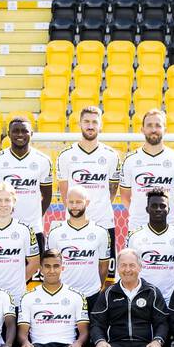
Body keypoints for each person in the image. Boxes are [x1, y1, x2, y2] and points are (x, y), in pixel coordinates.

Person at [55, 105, 120, 255]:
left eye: (94, 122)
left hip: (104, 222)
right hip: (75, 222)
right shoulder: (66, 156)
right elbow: (65, 194)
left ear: (100, 125)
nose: (90, 126)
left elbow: (113, 189)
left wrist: (99, 207)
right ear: (80, 124)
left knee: (106, 272)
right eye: (86, 122)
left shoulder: (111, 156)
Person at [0, 115, 53, 251]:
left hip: (34, 228)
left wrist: (35, 217)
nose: (20, 134)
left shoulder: (43, 161)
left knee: (35, 269)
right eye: (15, 131)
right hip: (4, 228)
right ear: (8, 134)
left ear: (31, 134)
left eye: (24, 131)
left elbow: (47, 196)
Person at [118, 108, 174, 231]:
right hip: (138, 227)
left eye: (158, 125)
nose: (153, 129)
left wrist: (165, 215)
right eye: (149, 125)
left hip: (169, 226)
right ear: (142, 129)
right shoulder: (130, 160)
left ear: (165, 130)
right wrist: (140, 214)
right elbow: (125, 197)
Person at [46, 184, 111, 299]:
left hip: (92, 294)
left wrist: (96, 288)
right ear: (66, 202)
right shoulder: (55, 233)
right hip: (64, 295)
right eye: (71, 202)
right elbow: (50, 266)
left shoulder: (100, 232)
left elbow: (104, 266)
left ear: (87, 202)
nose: (74, 206)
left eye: (79, 202)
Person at [125, 189, 174, 299]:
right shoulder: (134, 236)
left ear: (168, 209)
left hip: (169, 299)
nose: (158, 209)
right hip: (141, 298)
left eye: (162, 206)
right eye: (154, 206)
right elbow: (129, 269)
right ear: (147, 209)